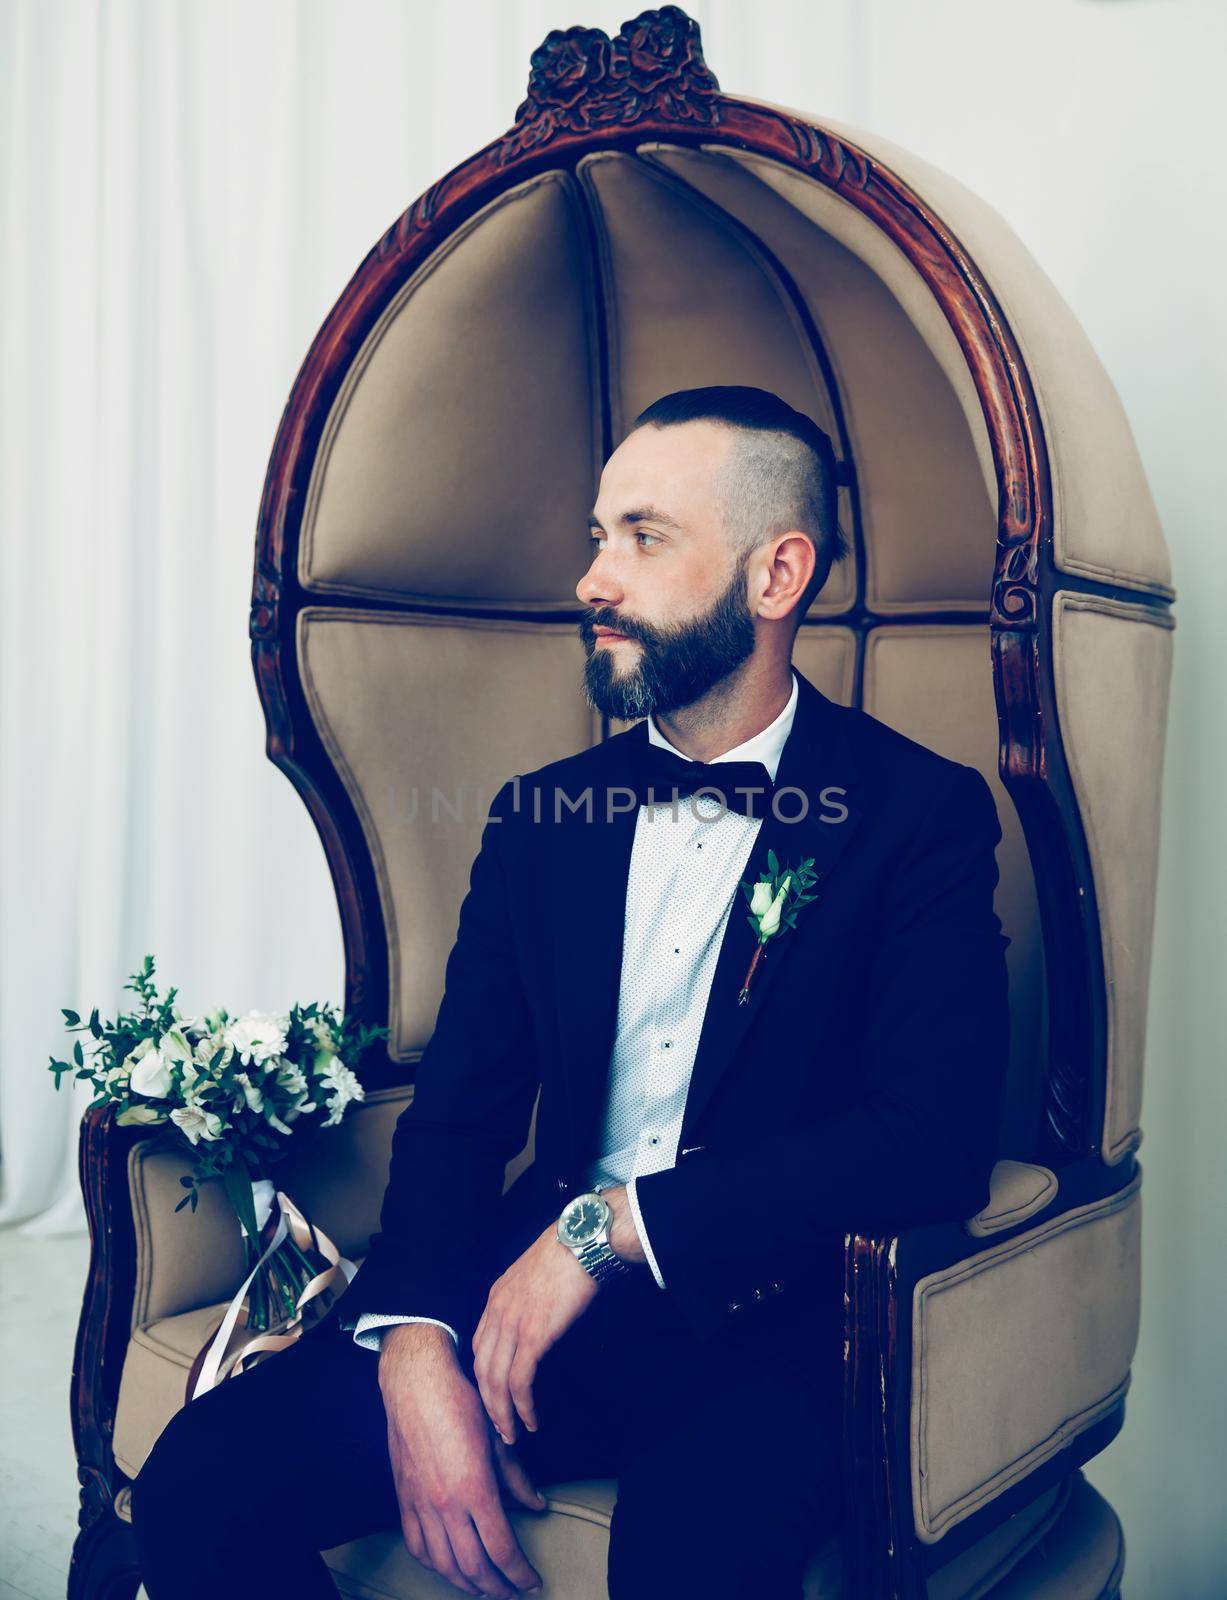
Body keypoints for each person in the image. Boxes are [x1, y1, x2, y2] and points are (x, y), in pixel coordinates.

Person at [130, 386, 1010, 1600]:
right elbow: (459, 1114)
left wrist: (613, 1229)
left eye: (643, 538)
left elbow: (931, 1143)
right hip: (519, 1298)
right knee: (198, 1480)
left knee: (688, 1568)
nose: (596, 577)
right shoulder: (544, 814)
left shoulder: (921, 816)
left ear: (776, 574)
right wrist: (415, 1341)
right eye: (598, 537)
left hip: (771, 1322)